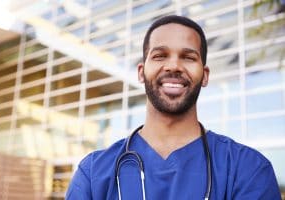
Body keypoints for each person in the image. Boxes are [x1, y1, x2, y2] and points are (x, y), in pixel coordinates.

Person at [66, 15, 281, 200]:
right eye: (160, 56)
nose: (174, 66)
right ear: (141, 72)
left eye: (188, 57)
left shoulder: (248, 170)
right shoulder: (93, 173)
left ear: (204, 75)